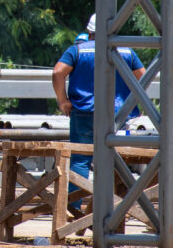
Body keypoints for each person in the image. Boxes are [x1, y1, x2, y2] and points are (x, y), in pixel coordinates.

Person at [52, 13, 146, 210]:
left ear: (89, 32)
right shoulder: (127, 52)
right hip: (119, 115)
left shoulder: (77, 51)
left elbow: (58, 72)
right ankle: (116, 209)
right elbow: (143, 77)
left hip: (85, 112)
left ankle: (73, 208)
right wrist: (130, 102)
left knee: (80, 159)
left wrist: (63, 101)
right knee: (117, 160)